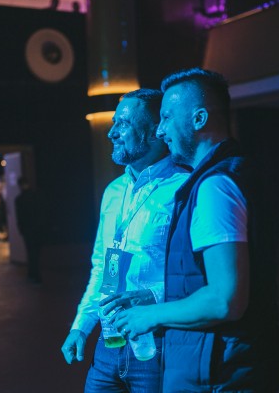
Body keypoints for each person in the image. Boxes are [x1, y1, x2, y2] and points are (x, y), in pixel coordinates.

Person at [107, 68, 279, 392]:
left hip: (220, 372)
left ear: (199, 119)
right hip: (230, 366)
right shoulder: (236, 172)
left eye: (166, 117)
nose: (160, 130)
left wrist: (150, 315)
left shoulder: (215, 186)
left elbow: (224, 299)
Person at [60, 88, 189, 392]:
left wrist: (151, 295)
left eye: (124, 124)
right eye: (114, 123)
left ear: (155, 131)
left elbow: (197, 276)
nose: (112, 133)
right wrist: (81, 326)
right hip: (110, 341)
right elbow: (102, 267)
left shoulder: (183, 187)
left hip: (158, 343)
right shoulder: (113, 191)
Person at [15, 176, 47, 285]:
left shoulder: (19, 199)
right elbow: (42, 212)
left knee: (30, 251)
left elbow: (19, 216)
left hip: (27, 229)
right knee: (36, 252)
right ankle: (34, 274)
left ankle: (33, 273)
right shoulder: (36, 196)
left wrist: (21, 229)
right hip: (37, 228)